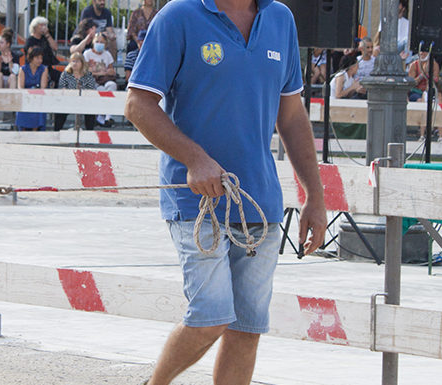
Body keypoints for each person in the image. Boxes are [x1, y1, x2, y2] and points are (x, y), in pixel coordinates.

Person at [125, 0, 328, 382]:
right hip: (197, 202)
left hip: (260, 202)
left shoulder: (280, 18)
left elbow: (291, 115)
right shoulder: (178, 16)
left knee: (247, 330)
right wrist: (195, 159)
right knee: (210, 317)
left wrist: (314, 197)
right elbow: (138, 104)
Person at [53, 52, 98, 131]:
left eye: (77, 61)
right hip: (68, 100)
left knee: (91, 110)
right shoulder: (65, 74)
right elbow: (62, 87)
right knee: (59, 110)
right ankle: (56, 131)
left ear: (82, 63)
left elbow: (91, 89)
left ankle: (90, 132)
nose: (75, 63)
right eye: (73, 61)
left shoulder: (88, 75)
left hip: (85, 101)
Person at [83, 32, 117, 126]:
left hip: (105, 80)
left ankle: (108, 117)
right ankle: (101, 117)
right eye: (97, 41)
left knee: (112, 86)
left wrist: (102, 72)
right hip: (93, 81)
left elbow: (111, 70)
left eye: (102, 42)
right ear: (93, 42)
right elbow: (85, 71)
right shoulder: (87, 54)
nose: (99, 44)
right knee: (101, 90)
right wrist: (101, 72)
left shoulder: (107, 54)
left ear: (105, 44)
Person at [15, 46, 48, 131]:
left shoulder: (44, 69)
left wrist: (35, 94)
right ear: (31, 58)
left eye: (41, 58)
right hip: (26, 97)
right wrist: (28, 95)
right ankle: (22, 132)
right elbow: (20, 87)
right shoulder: (23, 69)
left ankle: (35, 131)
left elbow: (43, 87)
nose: (40, 60)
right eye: (37, 58)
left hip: (38, 96)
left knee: (39, 106)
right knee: (22, 107)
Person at [24, 16, 60, 87]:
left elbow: (55, 47)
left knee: (61, 76)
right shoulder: (30, 41)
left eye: (44, 25)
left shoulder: (45, 38)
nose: (43, 27)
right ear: (35, 27)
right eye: (41, 25)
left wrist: (47, 34)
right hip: (36, 68)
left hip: (48, 67)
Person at [126, 0, 156, 64]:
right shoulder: (136, 13)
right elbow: (131, 30)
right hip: (137, 40)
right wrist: (138, 41)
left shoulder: (157, 14)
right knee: (132, 46)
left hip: (152, 40)